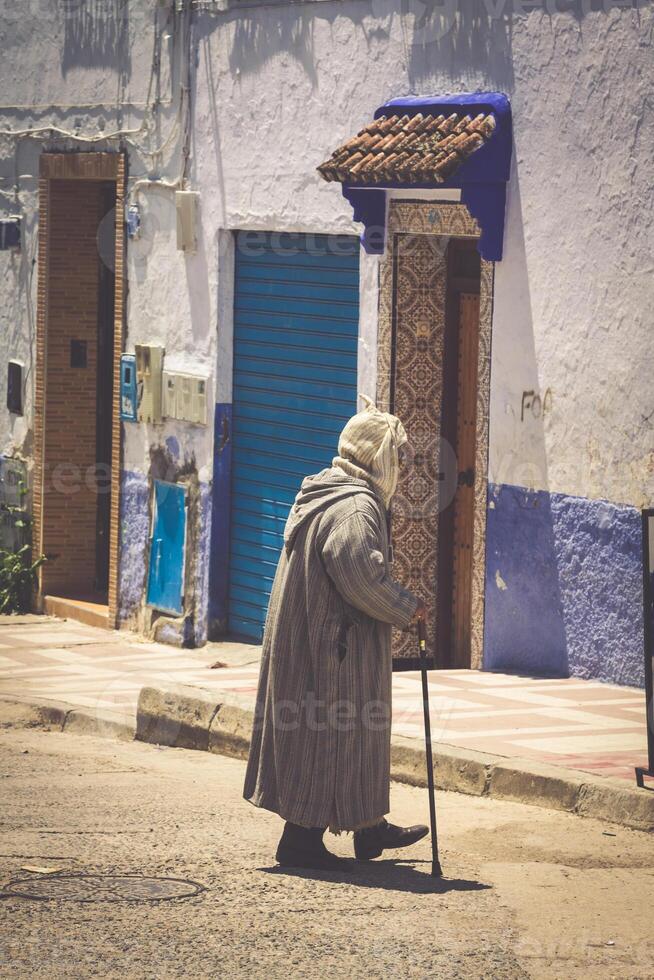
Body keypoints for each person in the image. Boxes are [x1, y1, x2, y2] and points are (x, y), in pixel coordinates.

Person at [243, 396, 428, 871]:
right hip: (331, 649)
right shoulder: (354, 508)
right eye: (398, 458)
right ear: (378, 458)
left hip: (322, 641)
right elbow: (361, 578)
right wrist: (408, 607)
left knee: (351, 735)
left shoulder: (331, 489)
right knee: (330, 737)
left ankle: (368, 827)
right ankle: (302, 840)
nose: (401, 469)